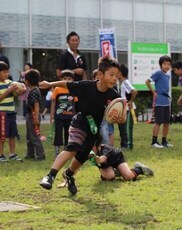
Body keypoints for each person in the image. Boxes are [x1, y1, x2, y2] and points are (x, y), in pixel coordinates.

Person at [39, 57, 124, 195]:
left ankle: (69, 174)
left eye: (117, 76)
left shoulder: (114, 96)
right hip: (79, 123)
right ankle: (50, 176)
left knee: (82, 157)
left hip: (93, 130)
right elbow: (66, 84)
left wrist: (120, 119)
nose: (115, 78)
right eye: (111, 75)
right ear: (101, 75)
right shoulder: (86, 86)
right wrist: (49, 84)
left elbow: (121, 117)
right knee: (73, 148)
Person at [90, 140, 154, 181]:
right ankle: (116, 171)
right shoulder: (88, 150)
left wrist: (98, 159)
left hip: (117, 158)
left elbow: (103, 158)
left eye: (92, 146)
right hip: (106, 164)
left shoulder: (105, 149)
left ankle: (139, 169)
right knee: (108, 177)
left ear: (98, 146)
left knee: (128, 177)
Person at [145, 55, 173, 148]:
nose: (167, 66)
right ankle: (154, 141)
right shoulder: (158, 73)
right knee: (158, 122)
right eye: (165, 64)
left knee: (166, 122)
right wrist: (153, 92)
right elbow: (147, 81)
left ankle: (164, 141)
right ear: (161, 65)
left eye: (169, 64)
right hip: (159, 102)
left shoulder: (167, 75)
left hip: (166, 101)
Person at [0, 61, 25, 162]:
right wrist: (8, 91)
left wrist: (20, 89)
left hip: (11, 113)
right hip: (2, 113)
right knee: (1, 135)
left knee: (12, 134)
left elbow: (17, 93)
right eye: (4, 72)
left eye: (8, 72)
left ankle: (12, 154)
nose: (7, 74)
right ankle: (1, 155)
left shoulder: (10, 83)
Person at [50, 70, 77, 158]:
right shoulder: (57, 89)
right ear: (60, 79)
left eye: (69, 79)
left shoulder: (74, 89)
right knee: (58, 133)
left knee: (68, 134)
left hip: (70, 116)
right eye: (64, 78)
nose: (67, 81)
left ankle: (67, 151)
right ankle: (57, 152)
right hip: (59, 116)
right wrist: (51, 115)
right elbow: (53, 102)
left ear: (73, 80)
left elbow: (76, 103)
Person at [24, 69, 46, 161]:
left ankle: (40, 155)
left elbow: (36, 104)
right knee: (29, 136)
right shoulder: (33, 90)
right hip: (30, 115)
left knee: (34, 137)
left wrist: (36, 118)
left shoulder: (34, 91)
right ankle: (30, 154)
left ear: (28, 81)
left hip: (33, 115)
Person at [118, 64, 137, 150]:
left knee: (127, 127)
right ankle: (123, 145)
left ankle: (128, 145)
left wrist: (131, 101)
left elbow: (134, 91)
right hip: (123, 109)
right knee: (122, 127)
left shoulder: (125, 82)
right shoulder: (121, 83)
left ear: (120, 73)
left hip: (129, 109)